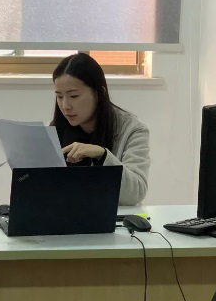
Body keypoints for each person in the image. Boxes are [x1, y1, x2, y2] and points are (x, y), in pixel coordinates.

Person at [51, 53, 150, 206]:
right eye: (59, 97)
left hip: (113, 217)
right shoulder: (53, 131)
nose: (65, 106)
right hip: (64, 215)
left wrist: (102, 155)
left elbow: (135, 194)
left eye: (74, 96)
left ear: (99, 94)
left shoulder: (132, 130)